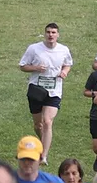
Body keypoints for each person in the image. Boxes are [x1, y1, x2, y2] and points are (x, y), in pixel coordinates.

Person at [18, 23, 74, 155]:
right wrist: (36, 68)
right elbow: (22, 66)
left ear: (58, 35)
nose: (51, 35)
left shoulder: (63, 50)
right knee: (39, 125)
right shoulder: (34, 48)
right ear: (45, 34)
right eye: (48, 32)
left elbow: (68, 64)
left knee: (47, 122)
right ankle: (42, 143)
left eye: (53, 32)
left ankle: (43, 156)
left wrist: (65, 72)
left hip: (54, 91)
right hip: (36, 90)